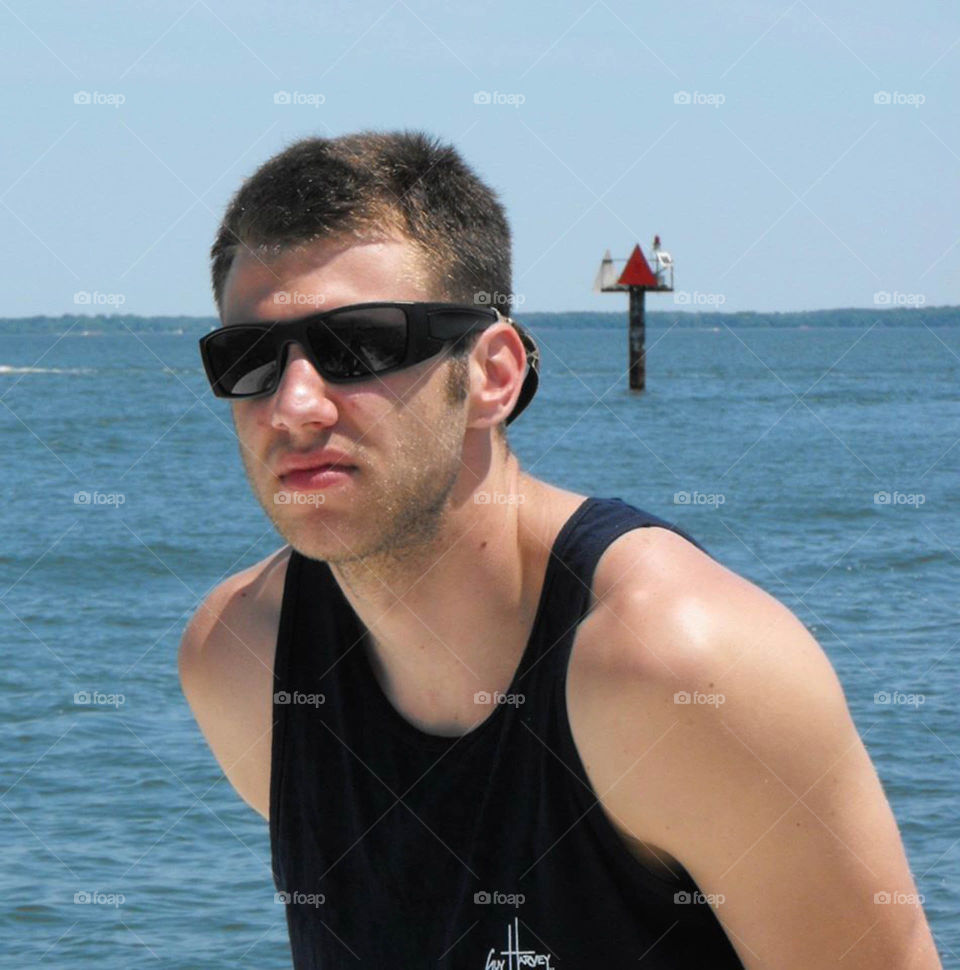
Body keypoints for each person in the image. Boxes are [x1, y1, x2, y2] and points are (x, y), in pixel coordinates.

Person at [178, 130, 941, 969]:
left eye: (359, 344)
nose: (294, 406)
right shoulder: (243, 662)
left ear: (494, 375)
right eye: (248, 359)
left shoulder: (680, 669)